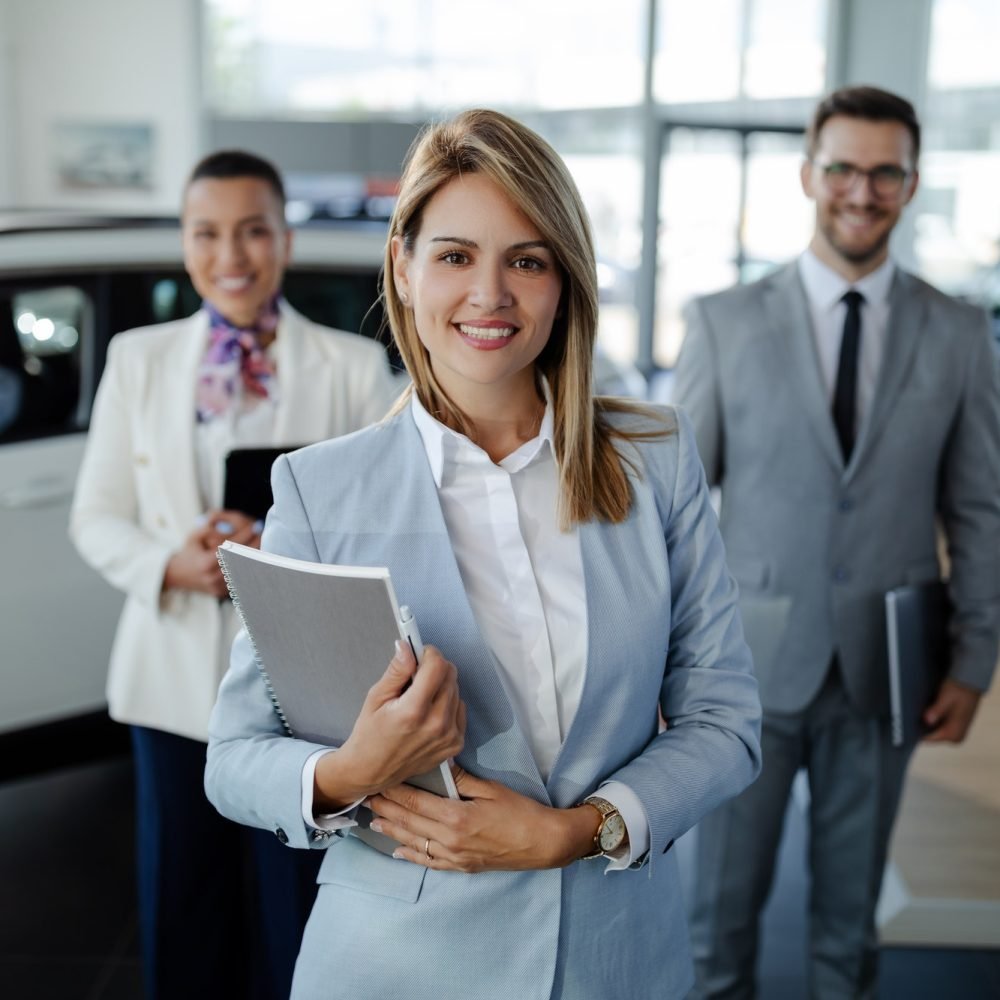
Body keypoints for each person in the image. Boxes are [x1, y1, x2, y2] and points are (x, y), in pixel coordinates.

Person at [204, 108, 762, 1000]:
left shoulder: (654, 459)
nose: (490, 295)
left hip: (612, 959)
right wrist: (353, 768)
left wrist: (579, 831)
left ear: (566, 281)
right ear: (405, 266)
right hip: (397, 963)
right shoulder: (321, 489)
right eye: (456, 255)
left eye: (527, 261)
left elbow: (725, 720)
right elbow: (234, 759)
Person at [674, 85, 1000, 998]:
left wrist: (975, 661)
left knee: (849, 930)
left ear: (912, 181)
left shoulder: (961, 331)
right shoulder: (722, 322)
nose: (862, 191)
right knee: (716, 929)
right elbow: (680, 509)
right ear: (809, 174)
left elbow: (980, 510)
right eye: (844, 169)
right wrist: (664, 664)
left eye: (884, 172)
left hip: (890, 666)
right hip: (740, 671)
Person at [70, 149, 399, 1000]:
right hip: (171, 679)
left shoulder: (352, 368)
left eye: (254, 231)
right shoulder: (138, 361)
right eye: (208, 233)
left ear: (284, 239)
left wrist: (275, 551)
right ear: (184, 244)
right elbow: (96, 514)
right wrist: (171, 563)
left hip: (302, 689)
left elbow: (381, 525)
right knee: (184, 898)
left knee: (295, 905)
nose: (232, 255)